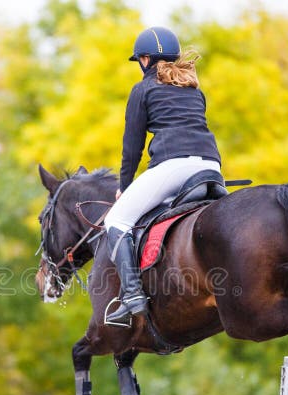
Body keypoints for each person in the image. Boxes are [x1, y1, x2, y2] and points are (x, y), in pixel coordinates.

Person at [104, 26, 222, 326]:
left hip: (174, 166)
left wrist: (124, 188)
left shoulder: (142, 90)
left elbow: (132, 149)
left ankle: (131, 297)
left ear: (144, 59)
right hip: (211, 167)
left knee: (115, 221)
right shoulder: (195, 89)